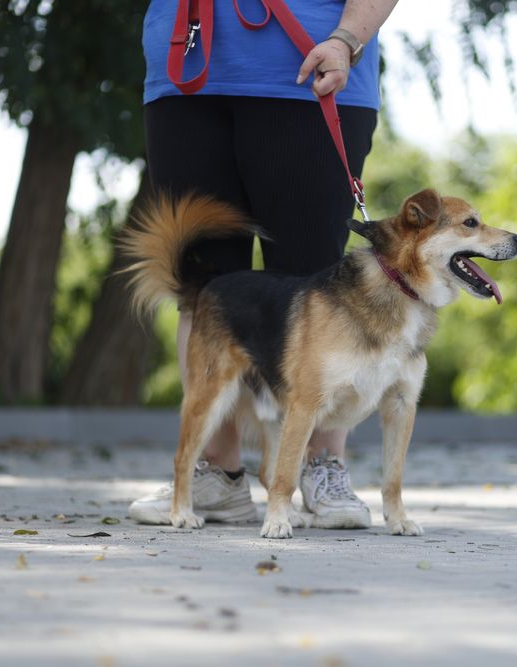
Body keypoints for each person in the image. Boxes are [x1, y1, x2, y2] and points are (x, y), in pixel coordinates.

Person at [129, 0, 399, 529]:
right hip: (186, 70)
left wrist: (348, 38)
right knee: (201, 288)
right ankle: (215, 473)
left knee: (319, 287)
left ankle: (322, 466)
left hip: (312, 62)